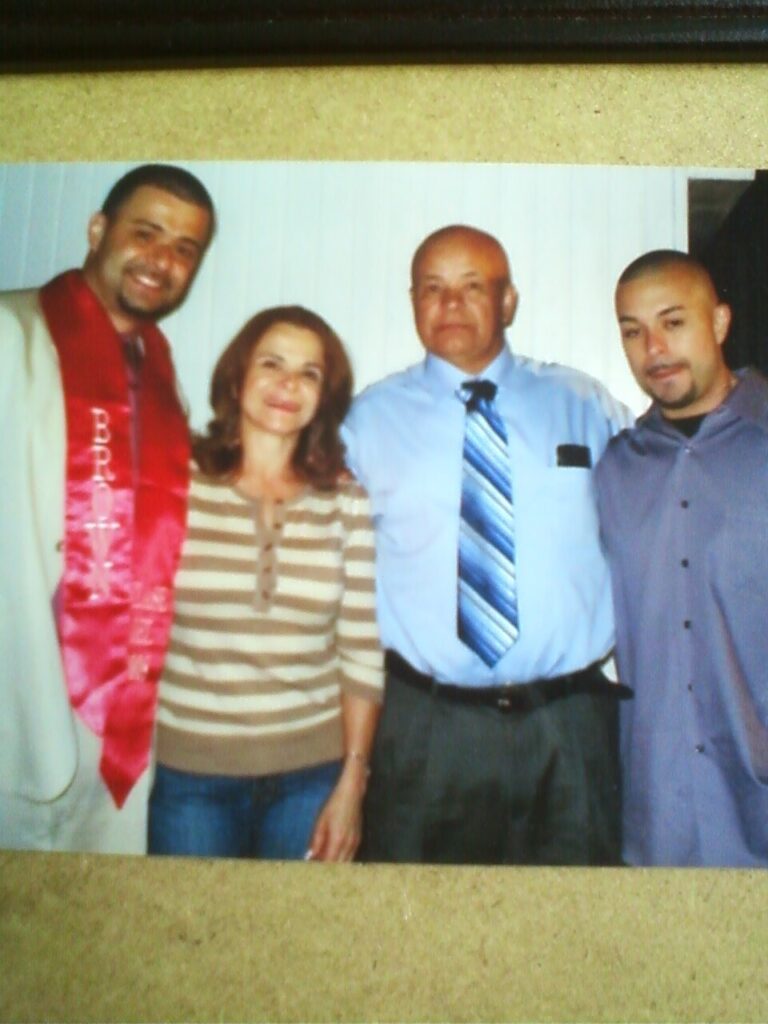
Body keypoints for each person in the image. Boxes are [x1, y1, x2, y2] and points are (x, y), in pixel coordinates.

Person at [342, 224, 632, 865]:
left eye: (473, 287)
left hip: (570, 723)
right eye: (431, 289)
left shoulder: (585, 405)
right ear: (412, 300)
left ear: (508, 301)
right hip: (426, 729)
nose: (449, 304)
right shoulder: (364, 423)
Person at [0, 163, 215, 853]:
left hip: (119, 715)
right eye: (145, 233)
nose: (162, 259)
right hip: (20, 698)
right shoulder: (12, 333)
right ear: (98, 230)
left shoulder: (160, 373)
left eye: (185, 248)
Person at [148, 306, 383, 861]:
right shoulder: (174, 484)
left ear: (326, 395)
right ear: (238, 376)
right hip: (191, 780)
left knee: (295, 946)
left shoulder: (345, 502)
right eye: (272, 364)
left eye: (309, 373)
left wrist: (353, 783)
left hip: (312, 780)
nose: (287, 384)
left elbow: (361, 654)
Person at [595, 249, 768, 867]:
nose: (654, 349)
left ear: (719, 322)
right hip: (655, 815)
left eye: (673, 322)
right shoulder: (614, 467)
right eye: (633, 331)